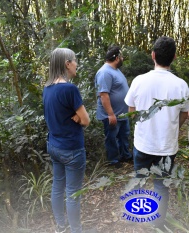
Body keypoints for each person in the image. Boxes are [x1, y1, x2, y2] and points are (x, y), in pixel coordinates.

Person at [124, 36, 189, 230]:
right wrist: (173, 126)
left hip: (143, 143)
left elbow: (132, 111)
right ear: (174, 57)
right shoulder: (180, 85)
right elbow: (186, 113)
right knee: (161, 185)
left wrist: (141, 126)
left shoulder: (139, 80)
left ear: (153, 55)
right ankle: (158, 224)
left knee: (139, 179)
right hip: (167, 145)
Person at [43, 48, 90, 233]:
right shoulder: (69, 89)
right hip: (71, 148)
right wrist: (78, 118)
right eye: (75, 60)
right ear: (67, 64)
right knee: (73, 193)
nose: (76, 64)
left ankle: (61, 227)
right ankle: (76, 230)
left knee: (57, 187)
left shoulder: (47, 88)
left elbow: (56, 116)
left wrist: (76, 116)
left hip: (54, 145)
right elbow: (86, 120)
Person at [95, 46, 132, 168]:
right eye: (121, 57)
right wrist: (110, 114)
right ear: (116, 58)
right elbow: (104, 95)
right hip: (112, 114)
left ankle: (125, 155)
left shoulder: (115, 70)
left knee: (124, 136)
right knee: (112, 138)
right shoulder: (104, 72)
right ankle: (114, 161)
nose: (122, 59)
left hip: (122, 113)